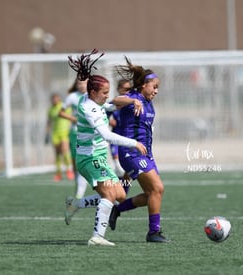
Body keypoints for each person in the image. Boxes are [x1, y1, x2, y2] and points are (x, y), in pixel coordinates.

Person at [67, 49, 147, 246]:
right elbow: (107, 135)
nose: (106, 96)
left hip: (99, 157)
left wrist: (132, 100)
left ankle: (75, 204)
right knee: (110, 194)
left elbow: (111, 105)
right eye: (104, 93)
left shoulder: (93, 101)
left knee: (119, 194)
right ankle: (97, 236)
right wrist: (134, 143)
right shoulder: (89, 108)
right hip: (88, 158)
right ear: (93, 92)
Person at [108, 57, 170, 243]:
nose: (156, 90)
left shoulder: (149, 103)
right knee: (158, 188)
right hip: (130, 153)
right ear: (143, 85)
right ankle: (153, 233)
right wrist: (130, 101)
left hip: (146, 155)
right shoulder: (134, 98)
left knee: (152, 194)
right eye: (154, 86)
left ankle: (117, 209)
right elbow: (115, 100)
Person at [58, 78, 89, 199]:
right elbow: (61, 112)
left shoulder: (92, 95)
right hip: (75, 133)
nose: (81, 86)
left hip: (90, 134)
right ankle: (79, 190)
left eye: (84, 83)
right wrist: (74, 119)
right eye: (79, 83)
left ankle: (81, 191)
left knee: (86, 161)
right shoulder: (72, 97)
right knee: (76, 163)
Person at [108, 79, 132, 182]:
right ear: (119, 89)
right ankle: (115, 194)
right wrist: (109, 121)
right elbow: (103, 114)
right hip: (116, 138)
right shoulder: (115, 103)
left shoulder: (131, 103)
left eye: (129, 89)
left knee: (128, 173)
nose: (128, 92)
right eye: (125, 89)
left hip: (128, 139)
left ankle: (120, 195)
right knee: (120, 169)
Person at [46, 93, 74, 181]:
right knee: (57, 154)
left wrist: (70, 128)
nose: (54, 100)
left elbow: (70, 117)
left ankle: (69, 170)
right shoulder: (50, 109)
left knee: (65, 151)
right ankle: (58, 173)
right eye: (53, 99)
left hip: (64, 132)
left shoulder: (63, 106)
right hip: (55, 134)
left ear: (59, 99)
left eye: (56, 99)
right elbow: (49, 121)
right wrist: (46, 133)